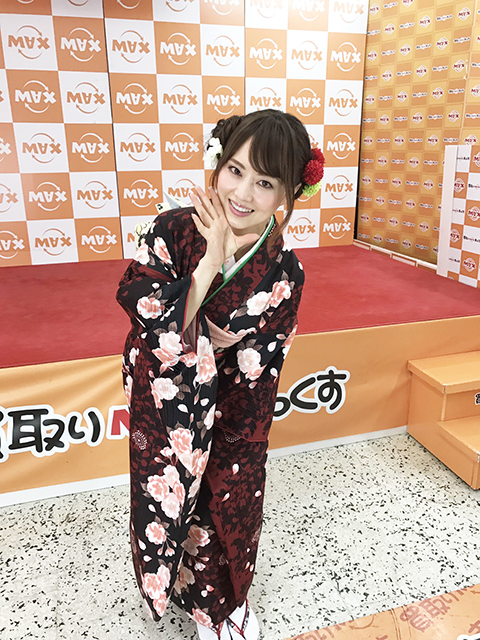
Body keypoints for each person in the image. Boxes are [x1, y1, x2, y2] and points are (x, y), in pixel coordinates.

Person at [116, 109, 324, 640]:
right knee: (165, 495)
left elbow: (265, 353)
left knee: (228, 502)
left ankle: (222, 606)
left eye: (265, 183)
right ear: (218, 164)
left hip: (238, 401)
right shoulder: (171, 229)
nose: (243, 194)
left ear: (288, 193)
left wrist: (203, 335)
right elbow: (140, 305)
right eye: (235, 170)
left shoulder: (286, 270)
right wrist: (209, 264)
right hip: (164, 401)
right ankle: (165, 586)